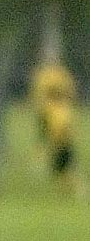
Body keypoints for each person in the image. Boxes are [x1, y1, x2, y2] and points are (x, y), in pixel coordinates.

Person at [30, 47, 82, 196]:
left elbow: (64, 127)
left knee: (65, 165)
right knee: (60, 166)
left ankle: (76, 188)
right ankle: (67, 187)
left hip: (61, 140)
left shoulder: (60, 78)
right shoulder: (44, 76)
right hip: (53, 127)